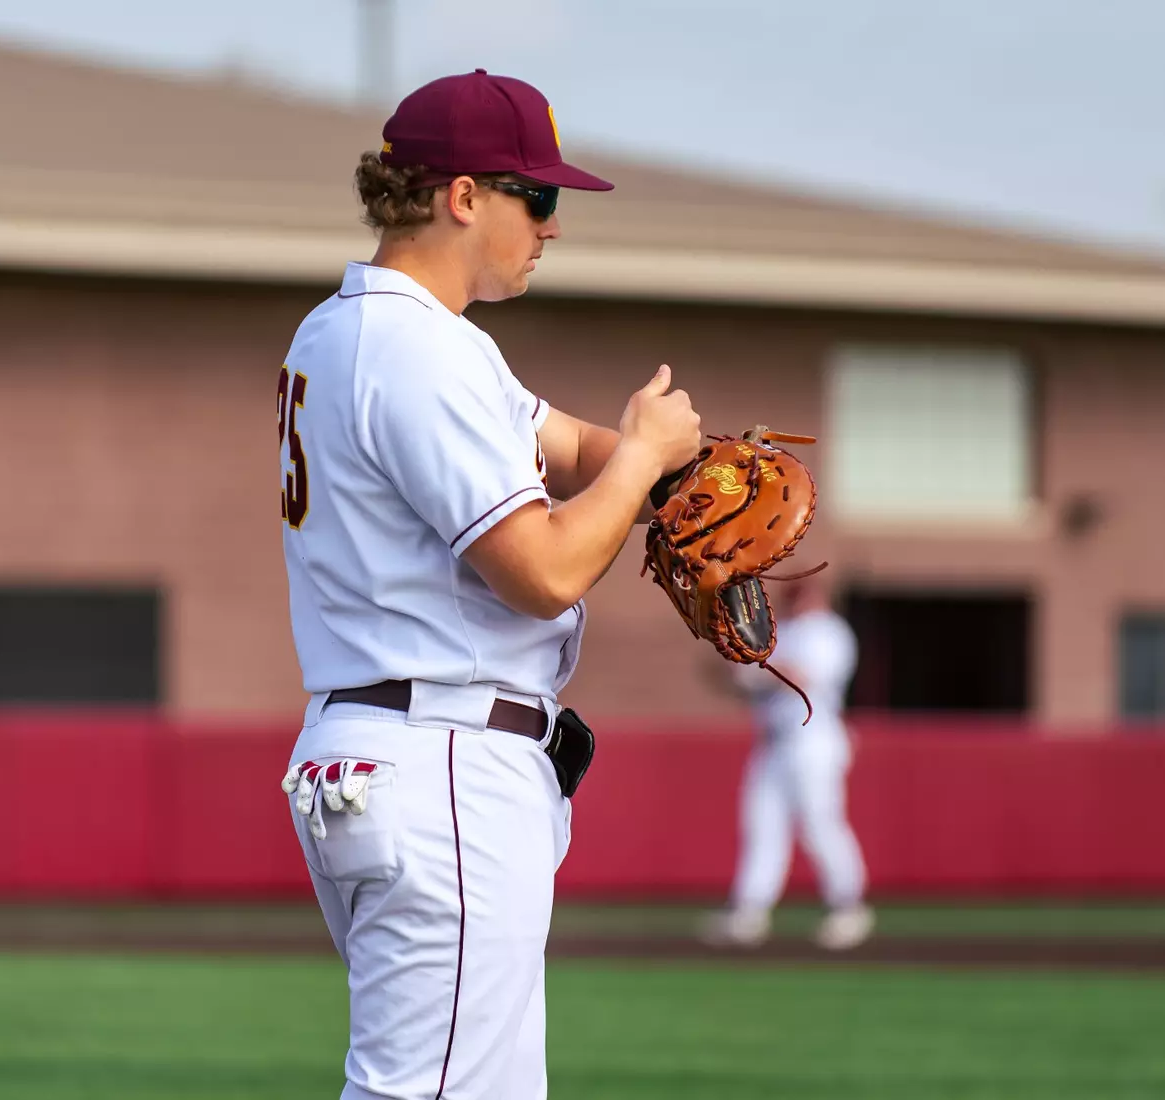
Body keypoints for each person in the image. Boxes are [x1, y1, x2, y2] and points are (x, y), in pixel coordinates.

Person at [274, 69, 702, 1099]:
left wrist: (682, 477)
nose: (552, 225)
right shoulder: (416, 351)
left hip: (392, 743)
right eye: (537, 195)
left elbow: (569, 449)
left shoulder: (359, 328)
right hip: (443, 760)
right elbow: (543, 570)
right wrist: (646, 458)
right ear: (464, 196)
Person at [700, 575, 875, 951]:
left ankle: (848, 906)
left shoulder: (827, 631)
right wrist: (732, 662)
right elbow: (747, 683)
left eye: (803, 590)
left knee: (820, 824)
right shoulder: (784, 631)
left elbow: (798, 677)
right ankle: (749, 911)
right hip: (774, 742)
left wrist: (751, 665)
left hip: (813, 740)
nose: (794, 597)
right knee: (762, 825)